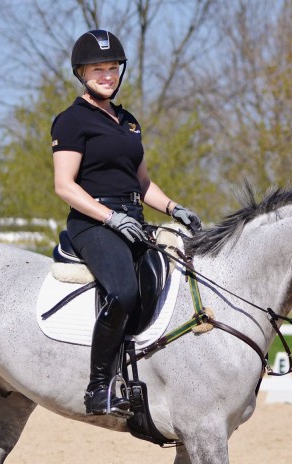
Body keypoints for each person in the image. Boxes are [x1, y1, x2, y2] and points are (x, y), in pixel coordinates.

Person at [51, 29, 202, 416]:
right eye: (98, 69)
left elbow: (143, 183)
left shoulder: (129, 122)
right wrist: (111, 217)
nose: (107, 75)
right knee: (122, 292)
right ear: (81, 73)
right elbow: (64, 186)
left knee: (175, 281)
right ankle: (98, 388)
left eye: (113, 67)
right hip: (93, 223)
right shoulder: (71, 121)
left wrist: (173, 208)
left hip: (133, 220)